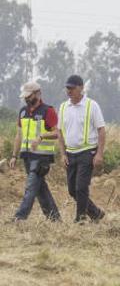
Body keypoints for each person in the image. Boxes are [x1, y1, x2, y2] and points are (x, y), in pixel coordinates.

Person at [58, 74, 106, 223]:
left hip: (87, 153)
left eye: (72, 88)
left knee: (81, 187)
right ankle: (96, 213)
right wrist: (62, 154)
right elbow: (59, 131)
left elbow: (101, 130)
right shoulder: (64, 107)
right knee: (72, 190)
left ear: (81, 88)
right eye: (67, 88)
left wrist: (99, 154)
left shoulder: (92, 106)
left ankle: (80, 219)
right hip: (70, 154)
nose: (69, 91)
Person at [9, 82, 61, 222]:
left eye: (29, 96)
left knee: (31, 187)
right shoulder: (23, 112)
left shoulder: (48, 111)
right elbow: (18, 135)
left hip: (42, 158)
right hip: (27, 157)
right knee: (40, 189)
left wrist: (41, 136)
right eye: (25, 96)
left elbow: (57, 133)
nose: (26, 99)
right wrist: (14, 156)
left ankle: (20, 218)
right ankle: (55, 219)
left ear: (38, 94)